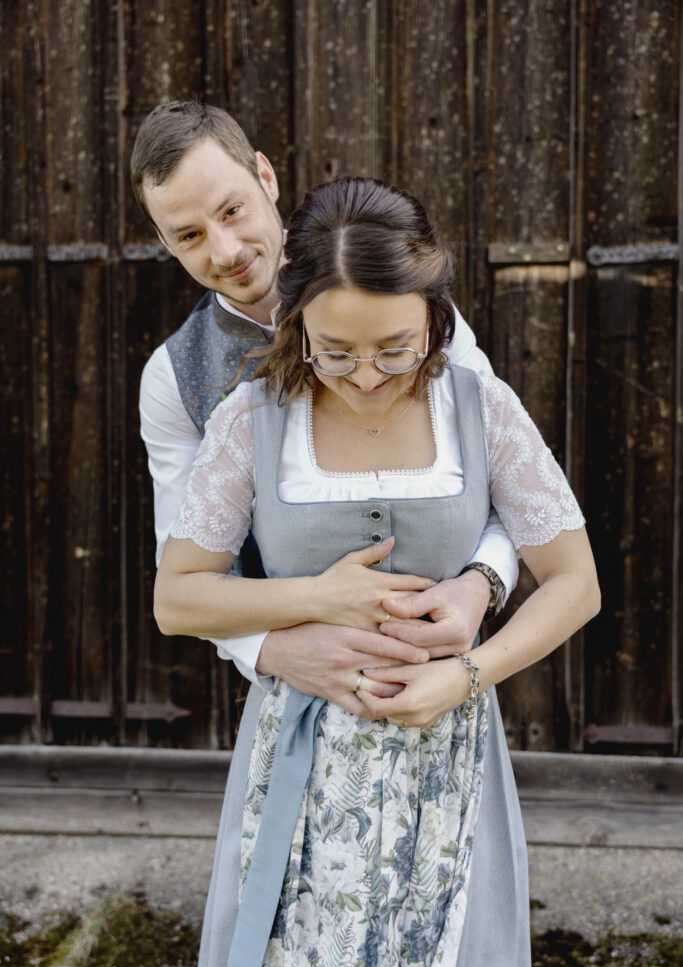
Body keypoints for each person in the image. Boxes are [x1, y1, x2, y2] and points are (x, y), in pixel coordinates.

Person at [154, 177, 601, 967]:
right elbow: (177, 599)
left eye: (393, 350)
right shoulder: (251, 423)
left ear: (434, 320)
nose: (364, 375)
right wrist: (315, 598)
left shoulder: (481, 410)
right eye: (335, 351)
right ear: (297, 326)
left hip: (450, 755)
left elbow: (575, 583)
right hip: (296, 755)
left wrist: (466, 674)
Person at [132, 101, 520, 715]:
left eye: (231, 210)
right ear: (163, 241)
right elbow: (185, 579)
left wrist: (481, 584)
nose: (226, 249)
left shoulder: (398, 298)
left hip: (443, 679)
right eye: (190, 235)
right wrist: (271, 650)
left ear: (265, 175)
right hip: (299, 696)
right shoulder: (172, 379)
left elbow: (510, 483)